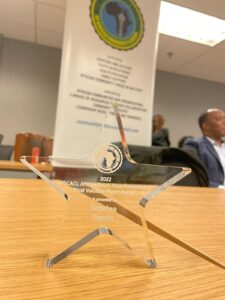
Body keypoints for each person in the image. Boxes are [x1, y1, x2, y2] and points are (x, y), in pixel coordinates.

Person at [184, 108, 225, 187]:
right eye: (219, 119)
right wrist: (220, 188)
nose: (224, 122)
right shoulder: (194, 145)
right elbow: (193, 175)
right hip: (212, 194)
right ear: (206, 126)